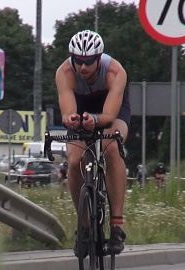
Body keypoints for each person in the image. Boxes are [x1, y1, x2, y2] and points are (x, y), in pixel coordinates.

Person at [55, 30, 130, 258]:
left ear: (99, 58)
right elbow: (68, 112)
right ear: (72, 58)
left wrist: (96, 120)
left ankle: (117, 227)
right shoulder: (64, 72)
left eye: (88, 61)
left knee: (111, 148)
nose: (83, 66)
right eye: (78, 60)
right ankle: (85, 226)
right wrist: (71, 119)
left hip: (110, 108)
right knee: (75, 159)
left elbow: (109, 114)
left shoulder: (116, 72)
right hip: (80, 106)